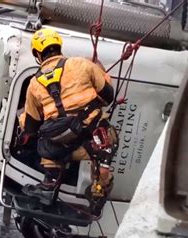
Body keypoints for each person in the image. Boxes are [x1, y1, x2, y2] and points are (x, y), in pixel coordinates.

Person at [19, 28, 116, 206]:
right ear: (59, 47)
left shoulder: (34, 83)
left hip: (62, 146)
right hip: (93, 144)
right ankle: (101, 187)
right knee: (107, 137)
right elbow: (108, 97)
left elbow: (31, 128)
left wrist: (25, 120)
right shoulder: (82, 64)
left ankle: (49, 185)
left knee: (44, 145)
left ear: (38, 54)